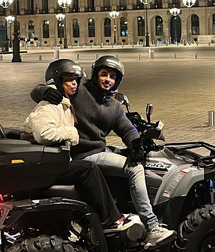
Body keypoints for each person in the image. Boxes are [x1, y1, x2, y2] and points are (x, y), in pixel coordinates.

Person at [31, 56, 175, 249]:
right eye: (104, 74)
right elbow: (48, 87)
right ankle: (152, 227)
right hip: (83, 155)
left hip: (98, 150)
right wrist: (44, 91)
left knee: (123, 155)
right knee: (135, 169)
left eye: (113, 77)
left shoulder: (114, 106)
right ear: (95, 75)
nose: (108, 79)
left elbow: (126, 128)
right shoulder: (80, 92)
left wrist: (135, 145)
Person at [23, 59, 133, 232]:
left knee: (95, 164)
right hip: (51, 163)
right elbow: (43, 134)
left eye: (76, 80)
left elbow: (126, 127)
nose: (74, 84)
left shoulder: (66, 103)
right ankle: (110, 220)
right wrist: (73, 134)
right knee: (90, 169)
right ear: (57, 82)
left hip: (55, 158)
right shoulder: (51, 105)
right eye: (69, 80)